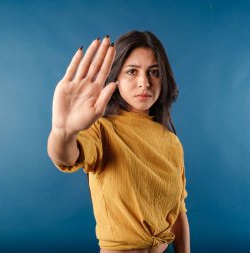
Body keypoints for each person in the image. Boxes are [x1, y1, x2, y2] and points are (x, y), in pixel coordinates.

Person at [47, 31, 190, 253]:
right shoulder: (102, 130)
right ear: (116, 79)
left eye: (154, 72)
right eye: (132, 71)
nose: (144, 83)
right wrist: (62, 133)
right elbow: (66, 156)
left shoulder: (171, 142)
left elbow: (178, 211)